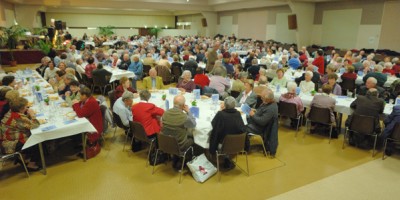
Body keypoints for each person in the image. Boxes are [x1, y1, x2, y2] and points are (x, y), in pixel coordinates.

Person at [1, 97, 41, 170]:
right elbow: (35, 125)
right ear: (21, 108)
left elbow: (23, 125)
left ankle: (22, 157)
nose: (27, 107)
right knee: (38, 141)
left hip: (6, 138)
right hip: (10, 144)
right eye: (26, 106)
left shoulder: (11, 112)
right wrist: (32, 115)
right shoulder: (18, 117)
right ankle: (31, 165)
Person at [209, 96, 247, 169]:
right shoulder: (238, 114)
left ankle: (213, 155)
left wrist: (221, 110)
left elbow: (213, 124)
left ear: (225, 105)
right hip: (238, 143)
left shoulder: (221, 114)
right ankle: (227, 157)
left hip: (224, 145)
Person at [161, 95, 196, 169]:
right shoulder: (184, 117)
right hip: (180, 145)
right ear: (183, 106)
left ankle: (176, 157)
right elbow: (193, 124)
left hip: (166, 143)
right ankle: (185, 159)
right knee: (193, 138)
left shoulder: (165, 113)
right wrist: (188, 111)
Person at [246, 88, 279, 156]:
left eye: (262, 98)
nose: (261, 99)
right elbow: (261, 111)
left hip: (260, 128)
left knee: (242, 127)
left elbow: (262, 122)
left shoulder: (271, 108)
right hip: (256, 123)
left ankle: (245, 148)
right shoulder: (268, 103)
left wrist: (253, 115)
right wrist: (255, 111)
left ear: (268, 99)